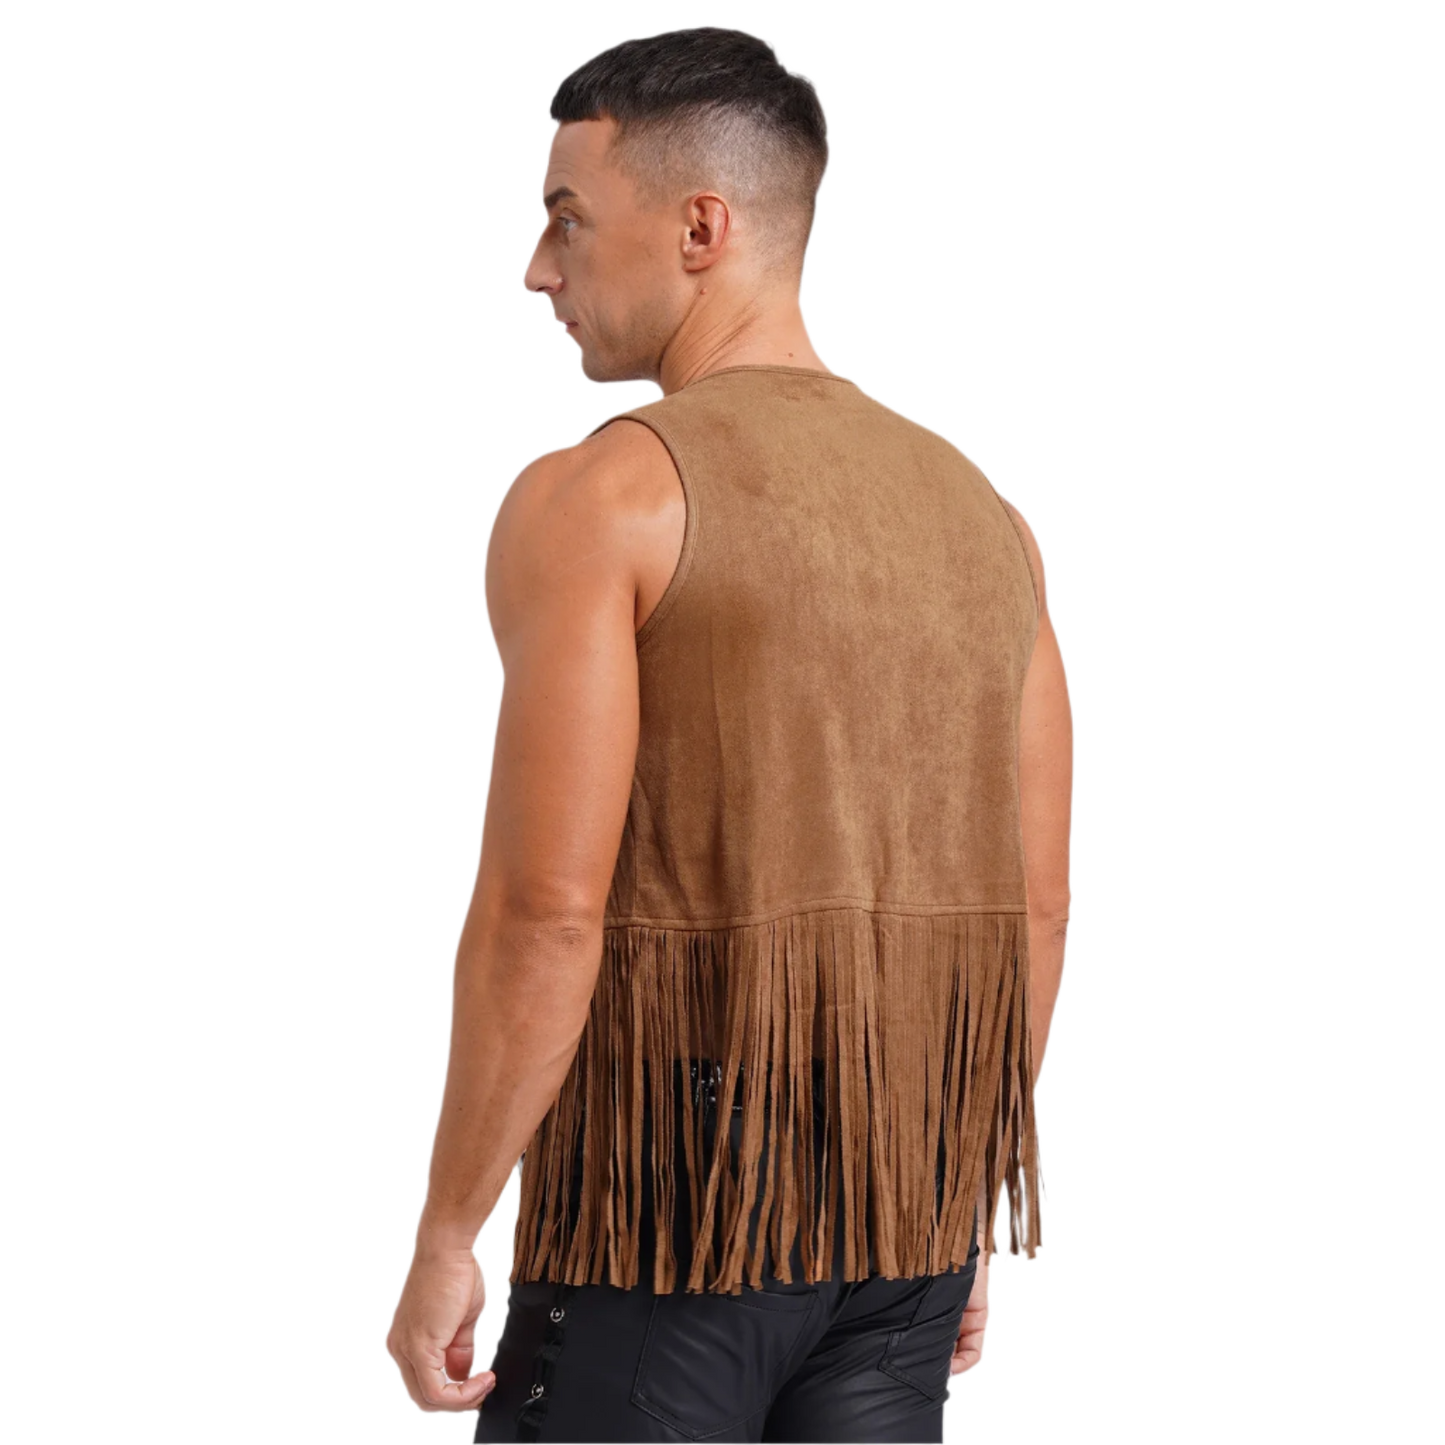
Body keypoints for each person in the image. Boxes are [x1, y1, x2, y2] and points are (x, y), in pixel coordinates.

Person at [383, 22, 1076, 1444]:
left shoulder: (606, 497)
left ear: (702, 227)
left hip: (674, 1212)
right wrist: (959, 1198)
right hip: (903, 1226)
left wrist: (452, 1229)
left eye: (566, 219)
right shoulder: (985, 515)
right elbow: (1037, 912)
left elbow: (545, 912)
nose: (536, 269)